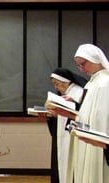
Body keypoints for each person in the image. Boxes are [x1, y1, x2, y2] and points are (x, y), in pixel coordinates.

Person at [52, 44, 109, 183]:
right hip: (87, 138)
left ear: (95, 59)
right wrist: (71, 110)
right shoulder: (92, 83)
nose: (81, 69)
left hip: (99, 142)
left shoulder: (105, 82)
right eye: (78, 66)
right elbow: (88, 112)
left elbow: (102, 116)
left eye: (83, 64)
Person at [43, 68, 87, 183]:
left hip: (73, 137)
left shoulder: (78, 92)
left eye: (57, 84)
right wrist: (50, 116)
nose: (56, 87)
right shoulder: (66, 93)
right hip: (63, 135)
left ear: (65, 82)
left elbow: (82, 113)